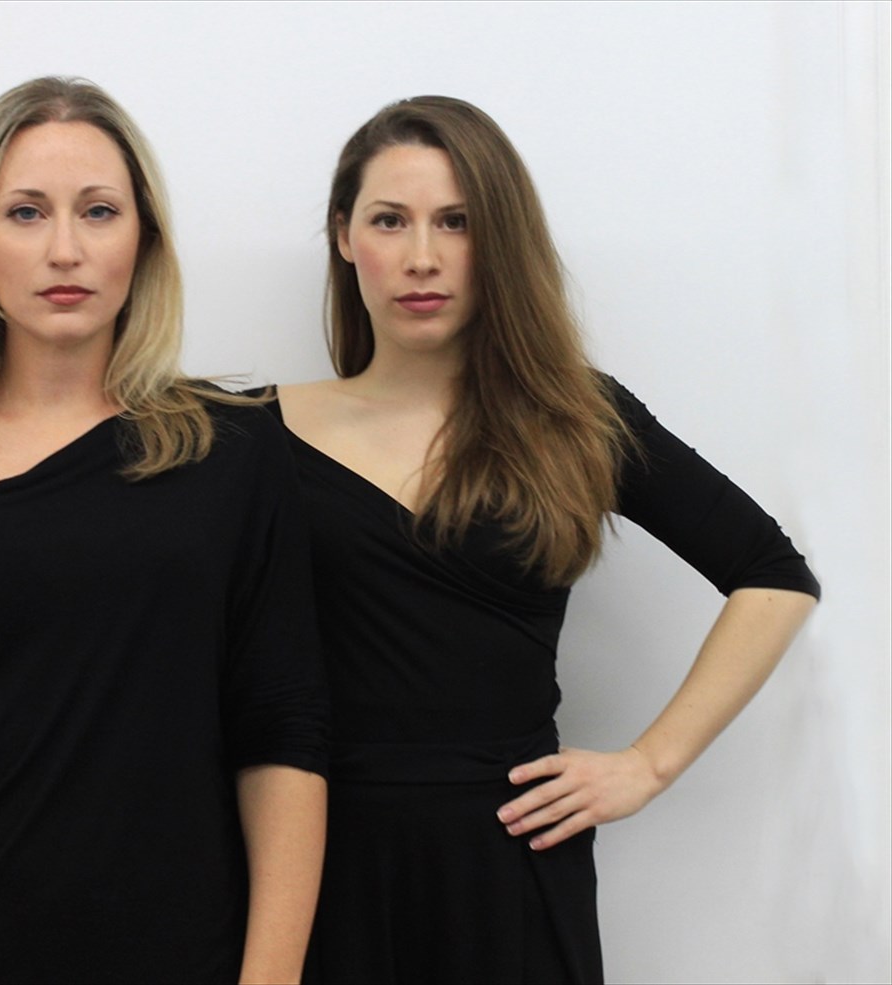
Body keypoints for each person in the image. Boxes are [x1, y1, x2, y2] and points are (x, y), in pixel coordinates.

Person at [262, 96, 820, 983]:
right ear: (343, 236)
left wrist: (648, 765)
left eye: (457, 222)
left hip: (513, 859)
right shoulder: (252, 433)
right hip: (318, 861)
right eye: (389, 220)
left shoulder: (572, 418)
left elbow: (774, 574)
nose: (421, 256)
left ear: (501, 239)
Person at [0, 77, 328, 985]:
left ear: (144, 239)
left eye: (99, 211)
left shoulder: (231, 450)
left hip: (168, 951)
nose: (64, 249)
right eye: (27, 212)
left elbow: (281, 733)